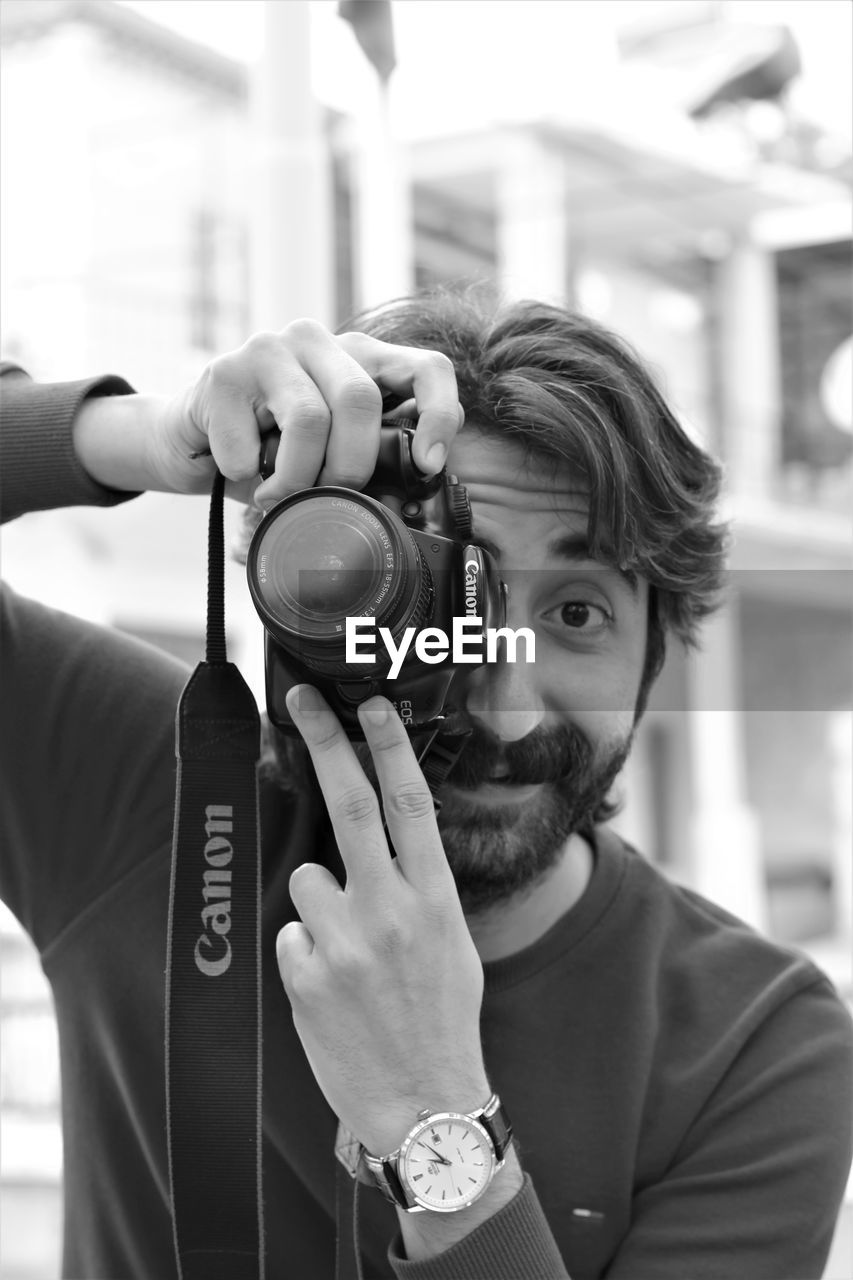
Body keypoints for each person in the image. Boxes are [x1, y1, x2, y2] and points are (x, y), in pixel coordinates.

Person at [1, 290, 851, 1280]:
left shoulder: (758, 1044)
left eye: (577, 611)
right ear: (309, 599)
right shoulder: (157, 795)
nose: (509, 710)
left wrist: (432, 1118)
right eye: (448, 598)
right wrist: (144, 436)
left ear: (656, 649)